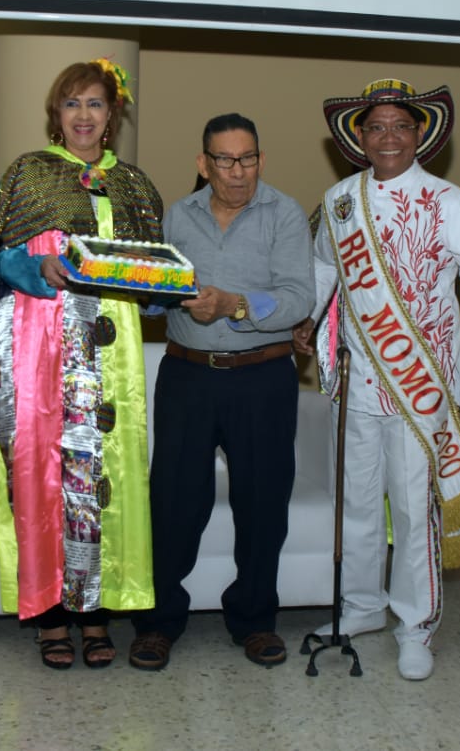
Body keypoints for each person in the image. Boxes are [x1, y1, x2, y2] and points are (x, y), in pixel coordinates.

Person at [294, 79, 460, 681]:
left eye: (401, 125)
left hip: (421, 385)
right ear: (360, 138)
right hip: (357, 381)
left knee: (415, 507)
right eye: (377, 127)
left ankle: (416, 624)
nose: (389, 136)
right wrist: (304, 320)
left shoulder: (448, 200)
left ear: (419, 133)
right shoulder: (341, 199)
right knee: (361, 503)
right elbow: (324, 274)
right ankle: (362, 606)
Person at [0, 59, 160, 671]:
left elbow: (152, 275)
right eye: (72, 103)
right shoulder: (28, 174)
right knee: (43, 471)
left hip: (114, 355)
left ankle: (95, 611)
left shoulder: (133, 184)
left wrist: (167, 285)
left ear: (114, 115)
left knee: (108, 477)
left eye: (96, 104)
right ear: (56, 113)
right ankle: (50, 616)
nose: (84, 115)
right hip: (39, 342)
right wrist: (34, 270)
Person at [128, 113, 314, 671]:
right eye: (226, 160)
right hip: (187, 374)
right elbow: (158, 295)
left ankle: (254, 621)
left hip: (264, 375)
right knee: (174, 501)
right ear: (202, 163)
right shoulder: (177, 216)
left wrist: (231, 304)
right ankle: (158, 624)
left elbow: (297, 298)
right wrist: (148, 289)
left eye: (249, 158)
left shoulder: (283, 213)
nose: (239, 172)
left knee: (262, 502)